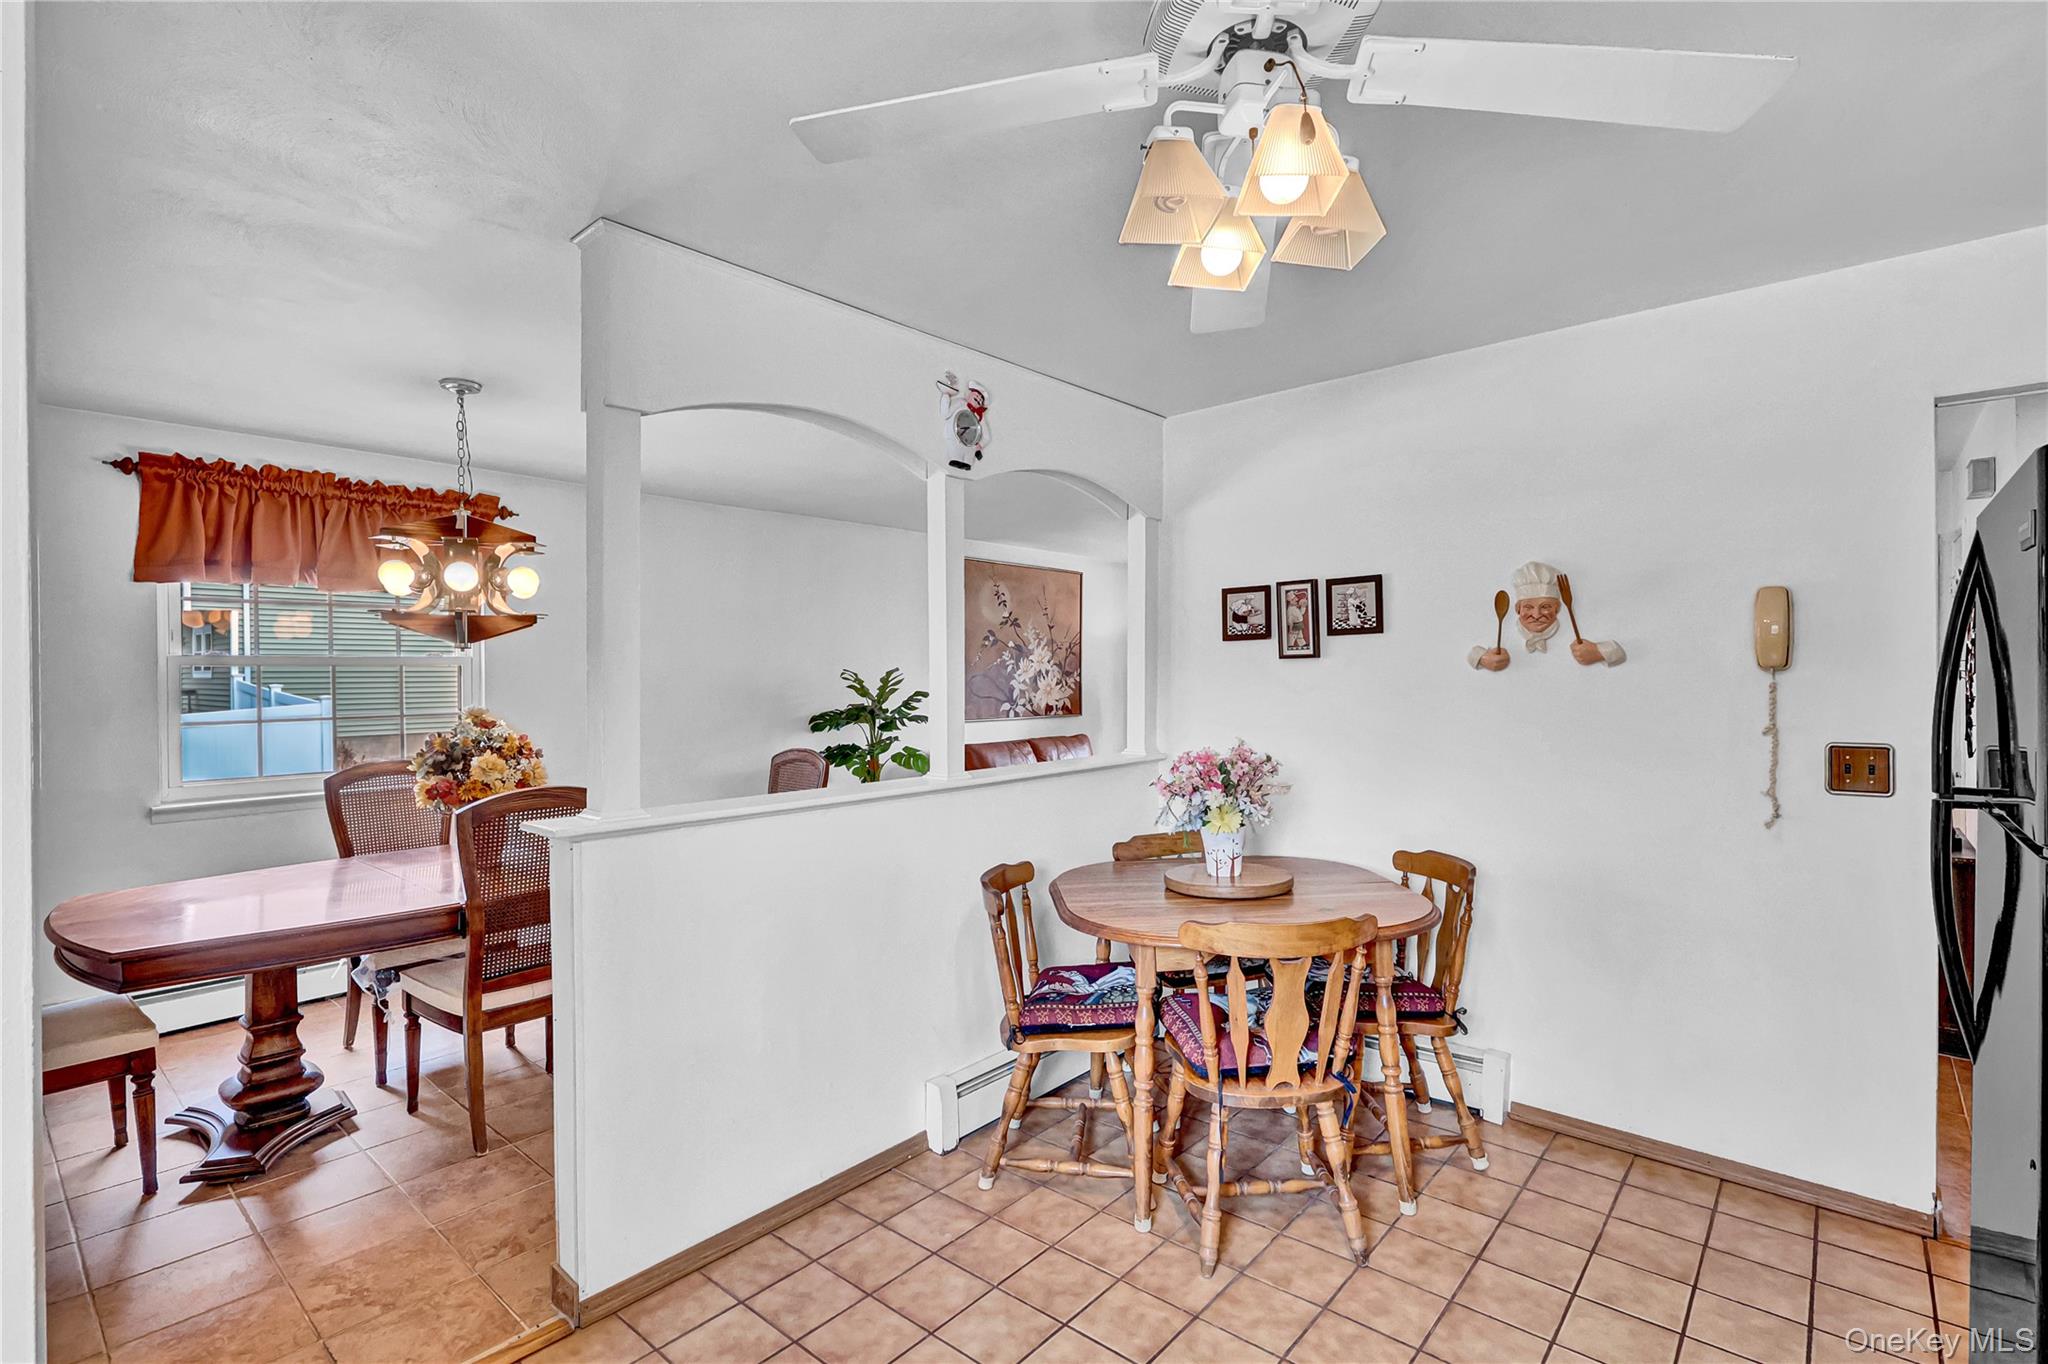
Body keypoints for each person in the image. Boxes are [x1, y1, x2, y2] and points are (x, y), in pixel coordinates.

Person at [1469, 561, 1625, 670]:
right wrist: (1482, 659)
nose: (1536, 615)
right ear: (1517, 609)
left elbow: (1619, 654)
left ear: (1557, 609)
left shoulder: (1570, 628)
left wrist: (1599, 652)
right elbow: (1470, 655)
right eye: (1529, 607)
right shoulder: (1504, 630)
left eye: (1545, 607)